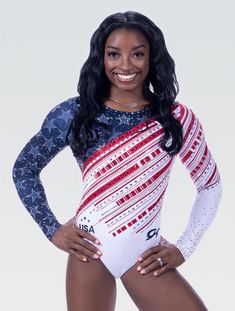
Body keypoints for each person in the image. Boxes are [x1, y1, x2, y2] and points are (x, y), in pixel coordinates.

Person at [12, 11, 222, 311]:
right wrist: (52, 229)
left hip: (145, 253)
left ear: (152, 58)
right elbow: (24, 169)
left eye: (137, 54)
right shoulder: (75, 114)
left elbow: (210, 185)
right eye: (114, 54)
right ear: (101, 57)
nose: (125, 65)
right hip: (90, 251)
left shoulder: (176, 119)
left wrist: (185, 247)